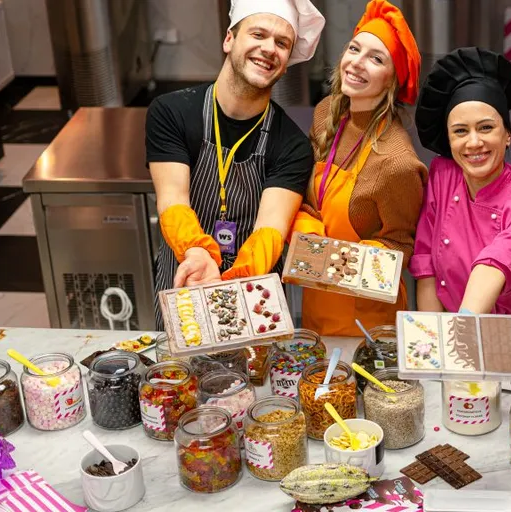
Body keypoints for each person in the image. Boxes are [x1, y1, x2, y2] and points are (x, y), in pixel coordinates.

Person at [145, 0, 324, 328]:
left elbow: (270, 227)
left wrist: (235, 282)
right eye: (258, 34)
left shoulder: (293, 144)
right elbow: (172, 200)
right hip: (188, 276)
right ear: (229, 39)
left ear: (286, 63)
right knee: (177, 377)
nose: (269, 48)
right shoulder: (171, 112)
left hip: (254, 295)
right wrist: (198, 254)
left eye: (282, 43)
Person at [290, 0, 427, 336]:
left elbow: (399, 247)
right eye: (355, 48)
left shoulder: (397, 163)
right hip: (317, 304)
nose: (357, 63)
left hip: (368, 322)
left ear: (392, 81)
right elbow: (310, 197)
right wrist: (307, 231)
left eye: (376, 58)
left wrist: (330, 260)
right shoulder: (327, 113)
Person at [409, 47, 511, 315]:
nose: (474, 142)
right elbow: (426, 263)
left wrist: (461, 332)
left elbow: (494, 263)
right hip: (451, 323)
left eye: (486, 127)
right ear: (449, 140)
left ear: (507, 134)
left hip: (506, 333)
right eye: (460, 131)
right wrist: (433, 336)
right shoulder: (443, 175)